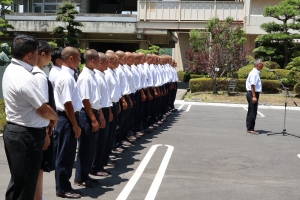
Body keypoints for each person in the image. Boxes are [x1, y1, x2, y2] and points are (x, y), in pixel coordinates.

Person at [2, 34, 58, 200]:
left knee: (20, 182)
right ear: (28, 56)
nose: (38, 55)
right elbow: (43, 110)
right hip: (26, 134)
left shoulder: (12, 69)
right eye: (36, 52)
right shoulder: (25, 77)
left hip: (19, 131)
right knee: (25, 185)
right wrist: (54, 117)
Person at [54, 47, 82, 198]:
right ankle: (63, 188)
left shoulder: (69, 75)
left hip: (68, 117)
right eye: (78, 57)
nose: (80, 59)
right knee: (65, 155)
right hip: (67, 118)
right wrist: (75, 125)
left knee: (68, 154)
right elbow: (67, 103)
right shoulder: (65, 77)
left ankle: (63, 186)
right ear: (71, 58)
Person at [75, 49, 105, 188]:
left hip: (94, 112)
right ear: (92, 61)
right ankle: (80, 178)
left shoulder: (92, 75)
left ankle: (85, 175)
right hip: (87, 114)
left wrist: (99, 115)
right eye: (98, 60)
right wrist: (93, 119)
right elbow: (85, 100)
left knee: (91, 148)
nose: (100, 63)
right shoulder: (85, 77)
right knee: (85, 148)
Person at [32, 40, 56, 200]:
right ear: (42, 55)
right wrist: (47, 131)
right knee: (38, 168)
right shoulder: (39, 76)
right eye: (50, 55)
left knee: (36, 168)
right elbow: (43, 107)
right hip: (40, 128)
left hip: (37, 128)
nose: (50, 58)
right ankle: (37, 196)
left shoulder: (31, 73)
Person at [246, 59, 263, 135]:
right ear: (257, 65)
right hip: (252, 93)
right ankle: (251, 128)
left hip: (253, 93)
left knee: (251, 110)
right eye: (261, 64)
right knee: (253, 111)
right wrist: (254, 96)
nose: (262, 66)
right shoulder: (254, 73)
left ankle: (249, 127)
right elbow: (252, 85)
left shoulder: (256, 73)